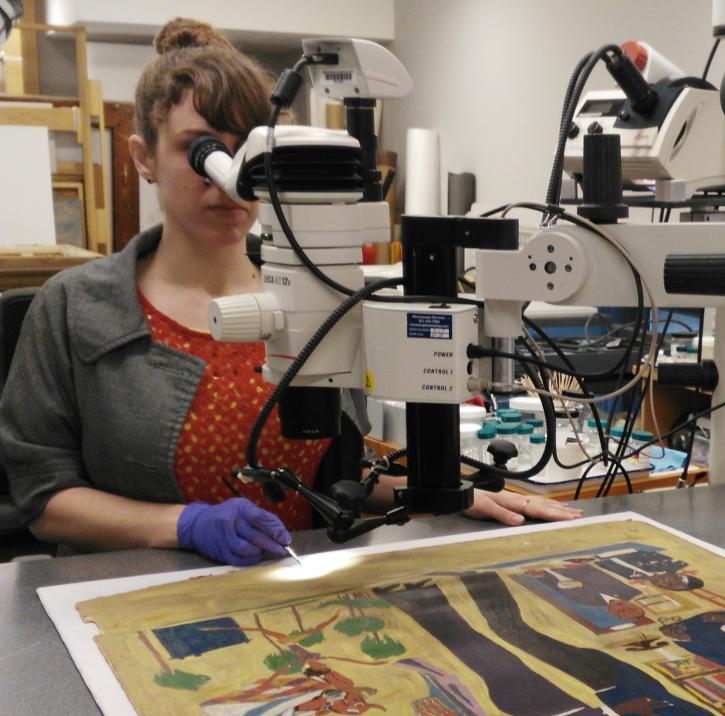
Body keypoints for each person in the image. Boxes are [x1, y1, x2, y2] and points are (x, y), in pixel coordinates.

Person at [0, 18, 579, 567]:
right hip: (134, 598)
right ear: (143, 157)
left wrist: (445, 489)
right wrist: (182, 525)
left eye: (248, 150)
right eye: (199, 150)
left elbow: (336, 478)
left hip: (293, 592)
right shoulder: (74, 308)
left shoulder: (325, 295)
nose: (232, 177)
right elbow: (43, 499)